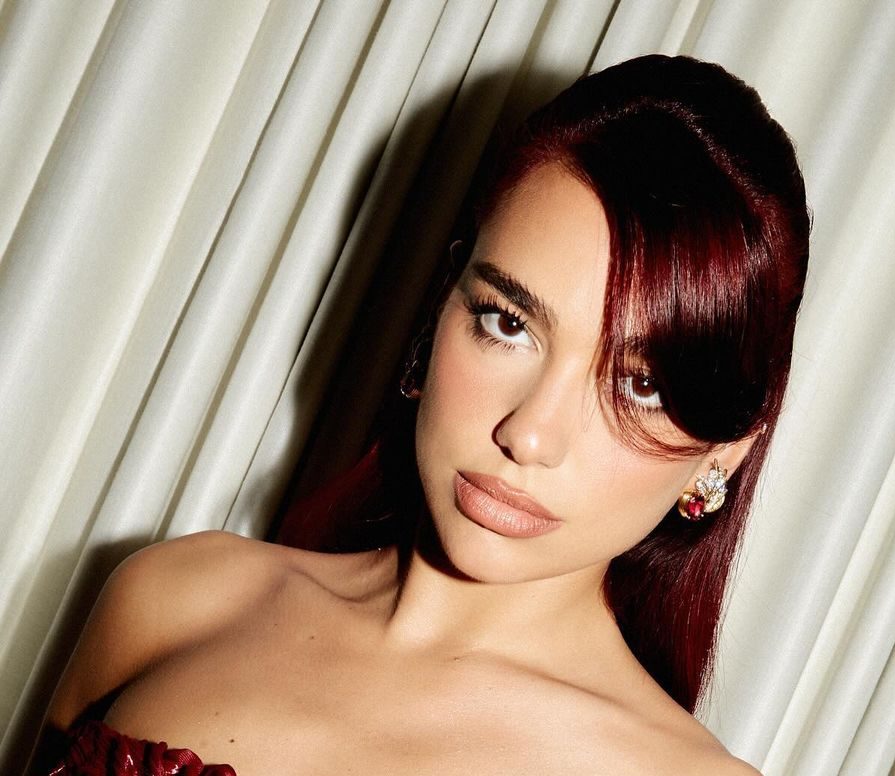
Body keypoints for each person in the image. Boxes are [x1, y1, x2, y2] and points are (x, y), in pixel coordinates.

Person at [32, 54, 808, 775]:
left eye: (638, 385)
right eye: (508, 324)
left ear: (723, 453)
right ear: (444, 304)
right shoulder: (171, 601)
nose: (529, 434)